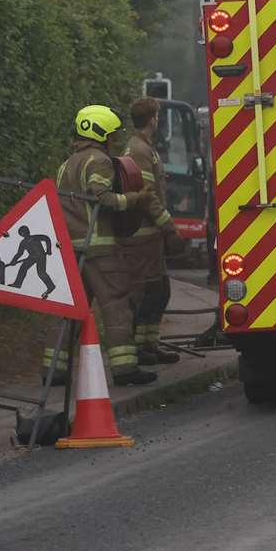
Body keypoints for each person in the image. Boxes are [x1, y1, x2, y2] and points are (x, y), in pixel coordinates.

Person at [47, 104, 156, 386]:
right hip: (99, 248)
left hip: (71, 248)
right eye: (110, 135)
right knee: (117, 304)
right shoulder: (99, 161)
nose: (112, 141)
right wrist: (135, 199)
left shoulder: (65, 165)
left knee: (70, 308)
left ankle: (54, 370)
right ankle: (124, 369)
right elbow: (103, 198)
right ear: (101, 133)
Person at [123, 97, 185, 366]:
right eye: (157, 116)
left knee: (160, 291)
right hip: (143, 236)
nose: (158, 120)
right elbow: (147, 196)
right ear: (152, 119)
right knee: (148, 292)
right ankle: (140, 348)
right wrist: (169, 228)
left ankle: (150, 344)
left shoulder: (146, 148)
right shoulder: (138, 150)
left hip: (152, 236)